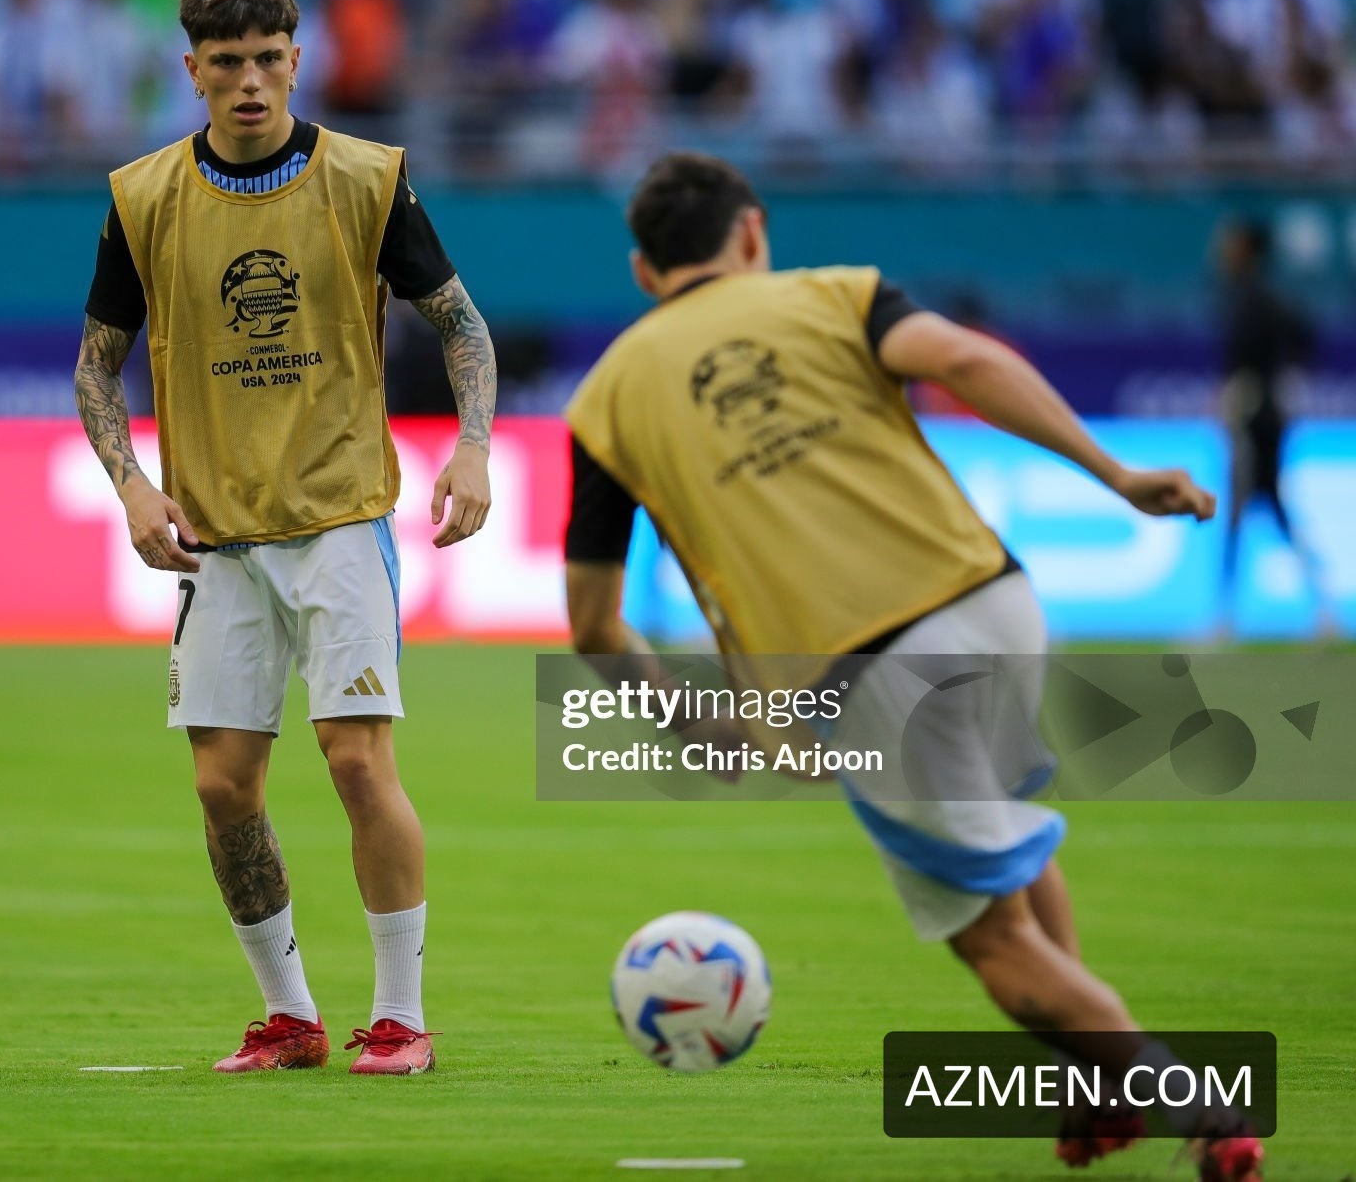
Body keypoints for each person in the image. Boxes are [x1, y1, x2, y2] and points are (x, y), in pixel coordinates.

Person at [562, 153, 1264, 1180]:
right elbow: (966, 360)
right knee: (1007, 838)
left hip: (871, 670)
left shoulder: (604, 401)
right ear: (751, 232)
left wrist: (696, 727)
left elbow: (592, 623)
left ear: (641, 271)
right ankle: (1095, 1086)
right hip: (995, 600)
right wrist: (1113, 473)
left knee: (993, 942)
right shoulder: (835, 293)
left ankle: (1196, 1109)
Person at [74, 0, 496, 1076]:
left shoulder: (366, 177)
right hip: (213, 536)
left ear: (298, 60)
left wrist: (472, 443)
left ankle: (399, 1017)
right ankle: (291, 1017)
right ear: (193, 71)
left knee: (356, 760)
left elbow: (459, 322)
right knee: (223, 788)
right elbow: (96, 364)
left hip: (339, 517)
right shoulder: (143, 197)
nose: (251, 81)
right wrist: (130, 484)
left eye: (269, 59)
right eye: (228, 63)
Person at [1212, 216, 1333, 640]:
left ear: (1248, 249)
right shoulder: (1257, 298)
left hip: (1255, 418)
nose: (1223, 251)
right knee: (1269, 509)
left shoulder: (1256, 300)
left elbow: (1296, 341)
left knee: (1241, 509)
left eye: (1231, 243)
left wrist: (1253, 390)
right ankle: (1321, 605)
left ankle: (1225, 618)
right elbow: (1304, 340)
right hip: (1267, 414)